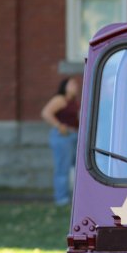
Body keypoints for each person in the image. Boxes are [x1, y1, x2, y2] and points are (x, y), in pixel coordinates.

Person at [41, 77, 81, 206]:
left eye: (75, 84)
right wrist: (59, 126)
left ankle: (79, 199)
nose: (75, 86)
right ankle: (61, 199)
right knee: (62, 168)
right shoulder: (60, 99)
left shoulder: (75, 102)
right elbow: (46, 113)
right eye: (72, 84)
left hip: (76, 135)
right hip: (63, 136)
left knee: (79, 168)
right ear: (65, 87)